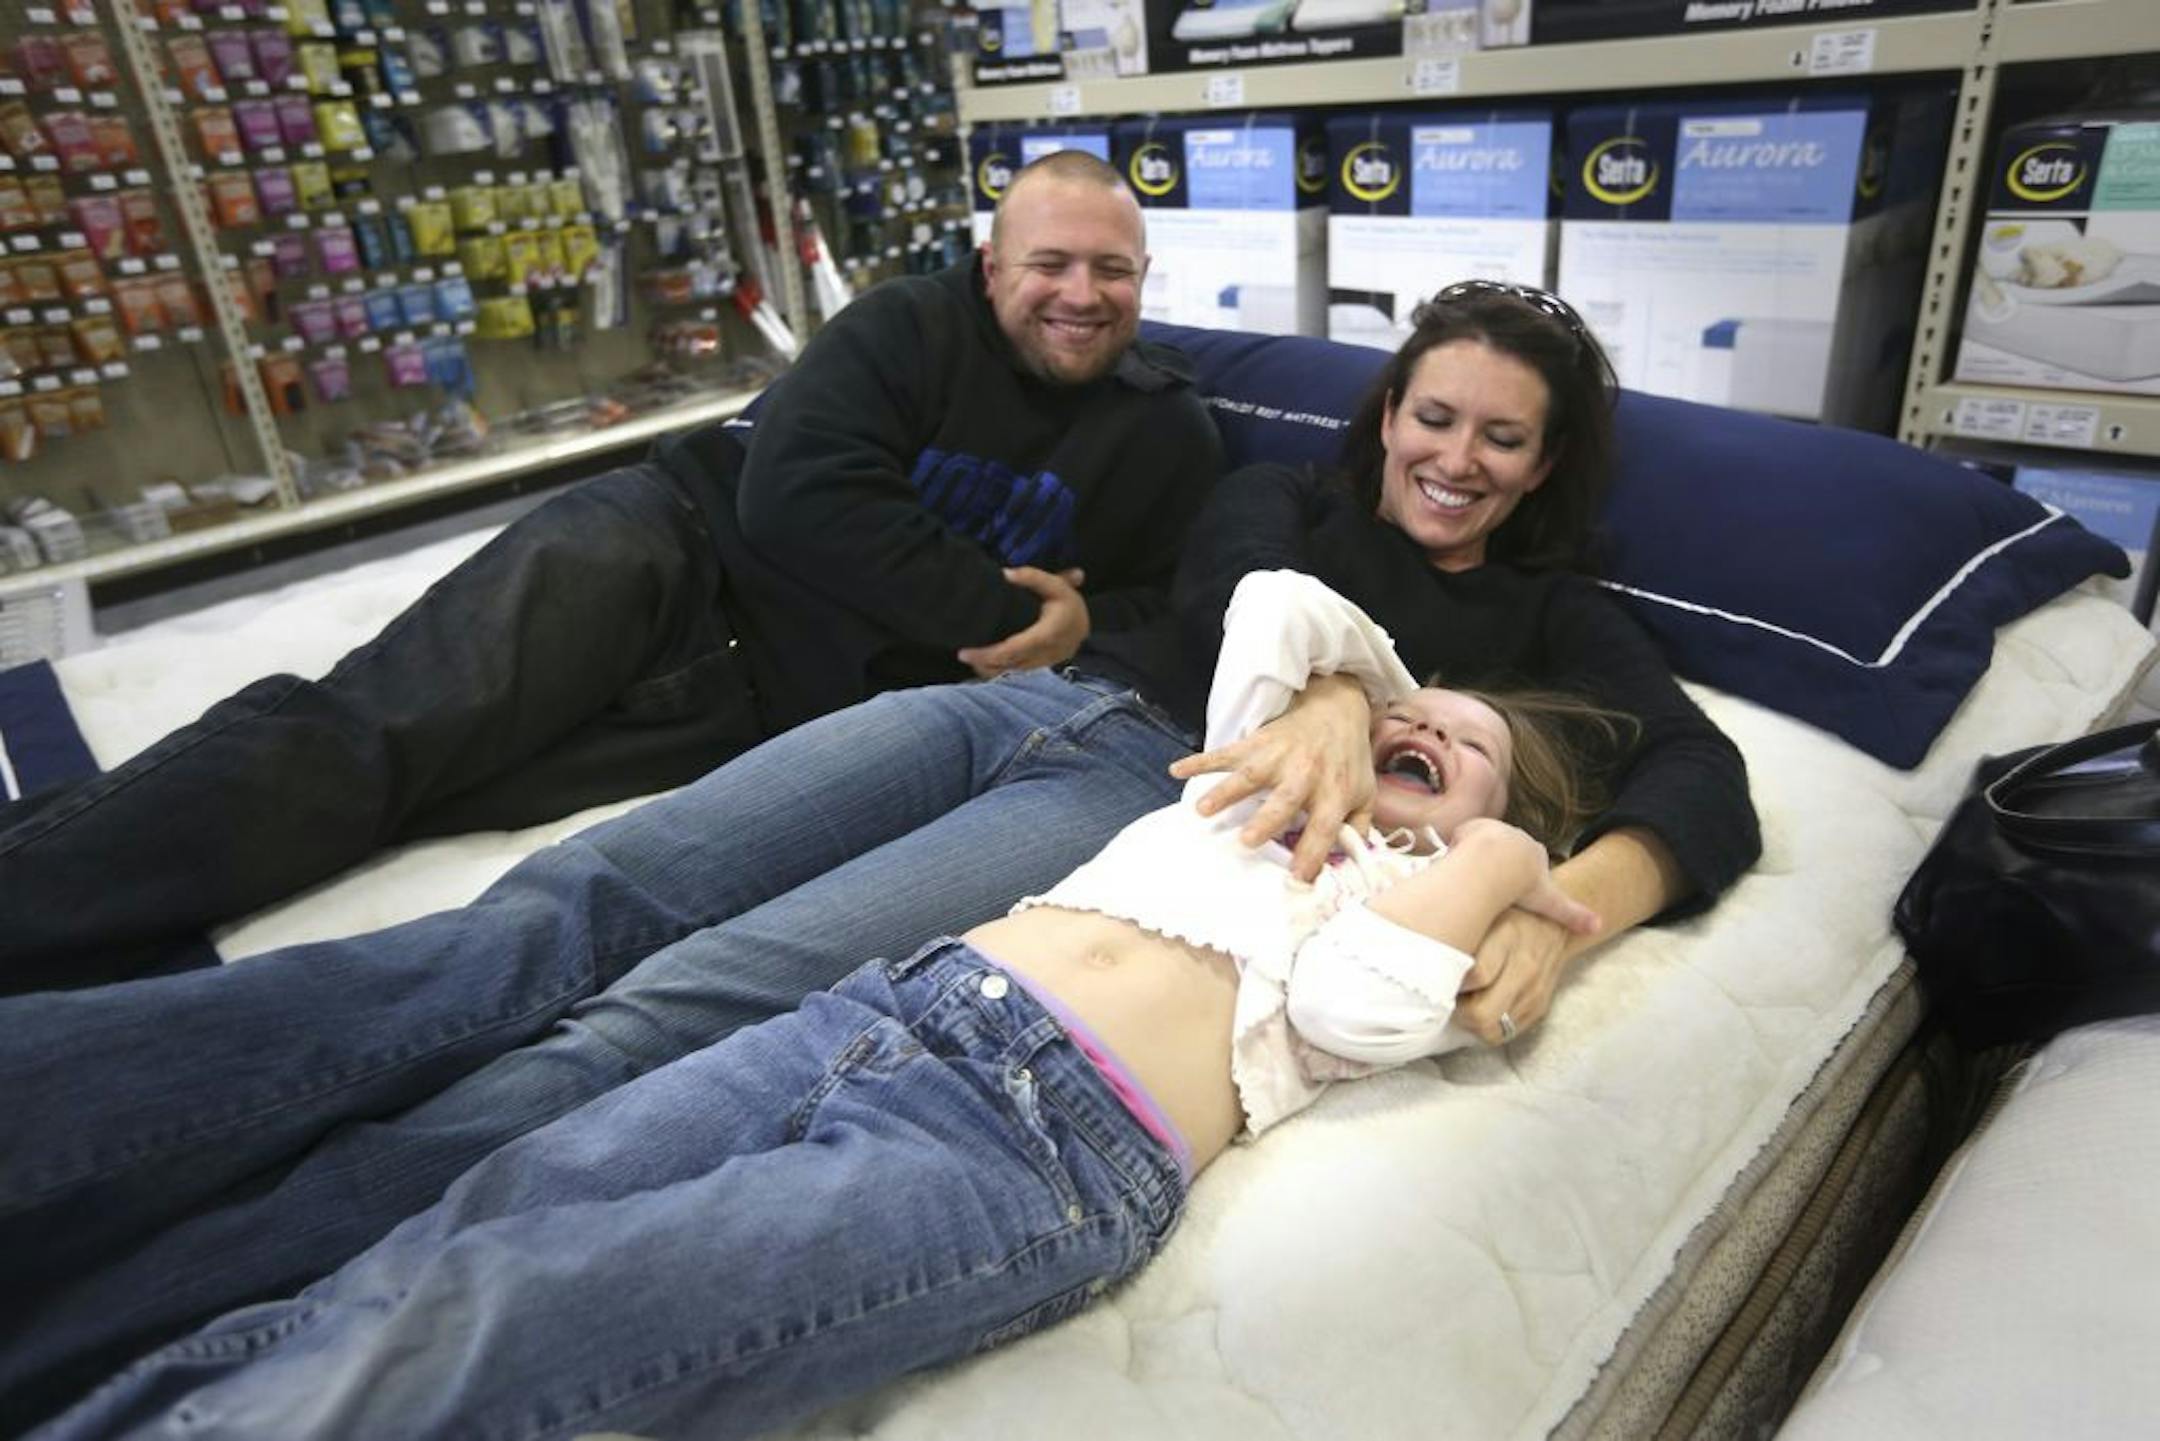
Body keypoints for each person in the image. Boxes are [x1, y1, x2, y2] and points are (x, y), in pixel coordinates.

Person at [0, 282, 1759, 1427]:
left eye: (1500, 438)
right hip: (1015, 710)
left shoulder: (1554, 623)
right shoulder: (1281, 496)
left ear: (1542, 468)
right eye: (1433, 416)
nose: (1454, 458)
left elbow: (1704, 780)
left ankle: (89, 1337)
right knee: (559, 909)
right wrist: (1330, 696)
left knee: (632, 1032)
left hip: (1122, 808)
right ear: (1386, 416)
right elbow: (1242, 583)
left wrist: (1566, 910)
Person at [33, 572, 1620, 1441]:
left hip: (1036, 1152)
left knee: (504, 1311)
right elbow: (1275, 601)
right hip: (883, 1011)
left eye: (1462, 747)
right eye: (1414, 706)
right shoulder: (1237, 778)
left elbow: (1358, 1003)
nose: (1423, 728)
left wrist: (1493, 861)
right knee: (456, 1238)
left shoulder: (1408, 899)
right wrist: (1345, 696)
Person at [0, 149, 1222, 994]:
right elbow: (797, 495)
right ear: (991, 265)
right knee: (370, 741)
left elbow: (1175, 606)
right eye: (1050, 263)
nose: (1081, 294)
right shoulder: (907, 324)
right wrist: (1000, 613)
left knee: (429, 804)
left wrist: (1079, 629)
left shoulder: (1167, 431)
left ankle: (89, 948)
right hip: (662, 554)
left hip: (751, 706)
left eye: (1112, 270)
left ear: (1143, 278)